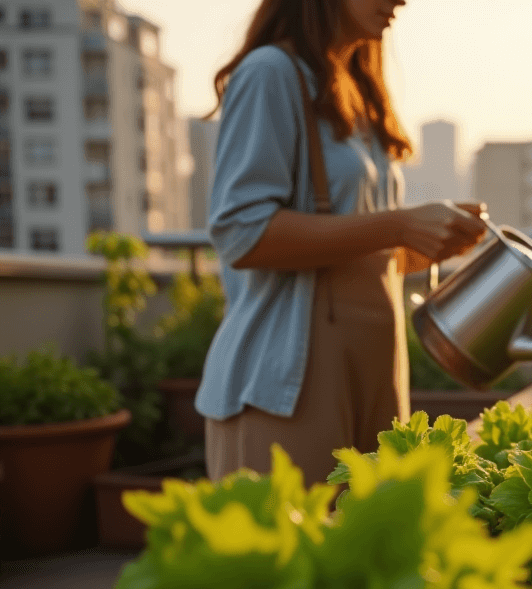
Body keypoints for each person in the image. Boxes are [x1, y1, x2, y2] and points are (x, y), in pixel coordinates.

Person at [195, 0, 486, 484]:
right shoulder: (270, 73)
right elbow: (241, 233)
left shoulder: (359, 89)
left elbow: (362, 249)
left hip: (375, 376)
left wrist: (429, 240)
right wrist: (399, 225)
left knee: (370, 532)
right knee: (296, 533)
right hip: (289, 388)